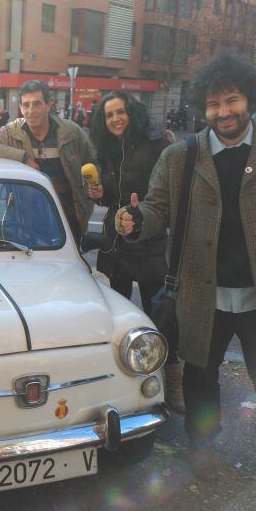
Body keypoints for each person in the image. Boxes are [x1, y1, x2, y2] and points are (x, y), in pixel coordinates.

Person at [115, 52, 256, 508]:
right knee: (200, 380)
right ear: (204, 108)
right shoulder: (182, 156)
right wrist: (134, 220)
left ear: (250, 99)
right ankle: (203, 449)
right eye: (214, 105)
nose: (224, 113)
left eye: (232, 100)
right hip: (202, 294)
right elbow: (156, 211)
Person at [87, 91, 183, 412]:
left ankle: (171, 376)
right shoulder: (106, 147)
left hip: (151, 240)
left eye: (120, 112)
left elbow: (168, 194)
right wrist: (99, 193)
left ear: (133, 112)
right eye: (109, 115)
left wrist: (143, 214)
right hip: (116, 240)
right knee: (116, 314)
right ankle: (121, 377)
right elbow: (107, 198)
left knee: (161, 314)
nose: (115, 119)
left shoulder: (157, 144)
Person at [0, 79, 95, 243]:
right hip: (26, 222)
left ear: (48, 104)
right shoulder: (12, 131)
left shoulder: (71, 132)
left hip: (68, 218)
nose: (31, 110)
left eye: (37, 104)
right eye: (26, 105)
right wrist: (23, 158)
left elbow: (93, 162)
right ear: (20, 107)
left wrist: (92, 192)